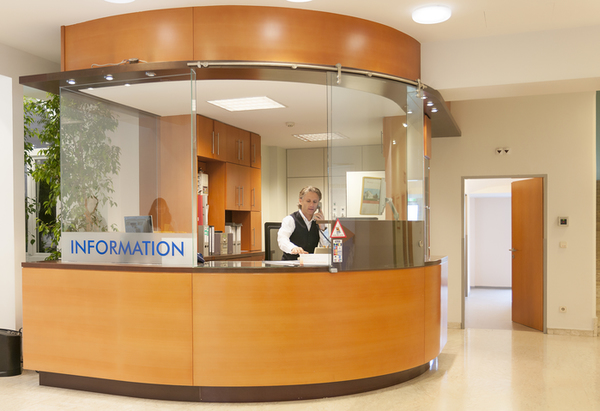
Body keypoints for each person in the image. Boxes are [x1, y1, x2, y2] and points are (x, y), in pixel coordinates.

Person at [278, 186, 328, 260]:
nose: (311, 205)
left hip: (310, 264)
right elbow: (282, 240)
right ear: (300, 201)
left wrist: (323, 228)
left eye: (315, 202)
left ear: (318, 204)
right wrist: (293, 248)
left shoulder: (318, 222)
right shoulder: (290, 219)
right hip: (291, 264)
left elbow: (326, 247)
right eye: (308, 201)